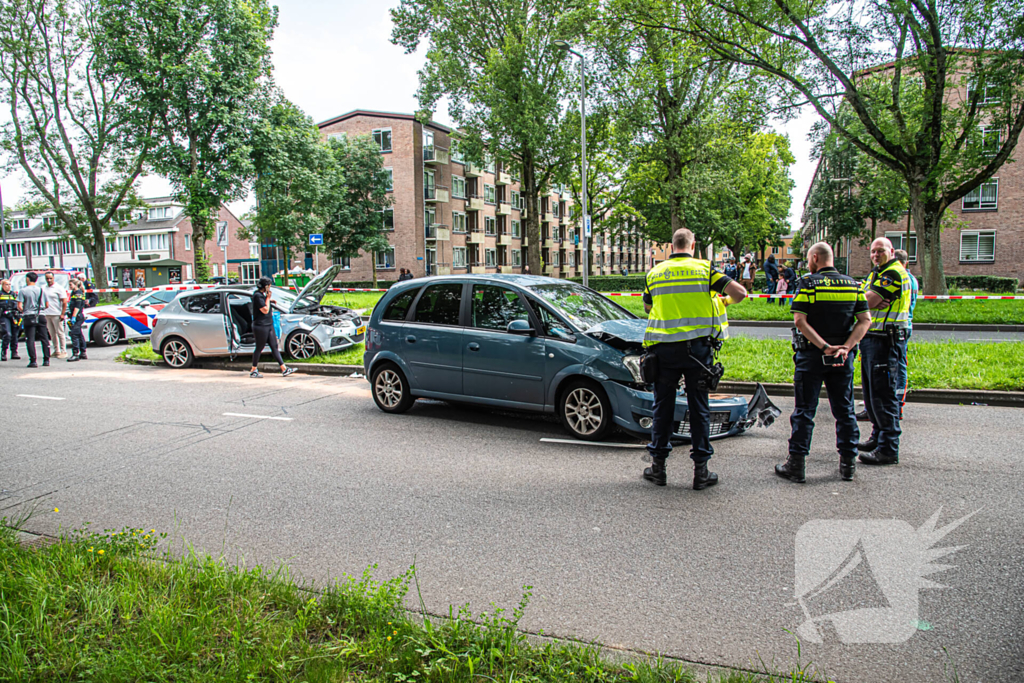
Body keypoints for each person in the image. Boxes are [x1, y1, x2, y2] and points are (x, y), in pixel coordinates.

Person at [642, 228, 747, 489]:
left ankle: (658, 468)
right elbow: (741, 293)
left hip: (663, 350)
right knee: (699, 408)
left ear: (671, 246)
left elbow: (648, 306)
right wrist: (721, 301)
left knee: (662, 408)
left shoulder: (655, 272)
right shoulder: (704, 269)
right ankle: (701, 472)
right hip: (698, 352)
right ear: (693, 244)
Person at [775, 243, 871, 483]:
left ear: (815, 258)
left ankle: (796, 464)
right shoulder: (854, 285)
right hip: (842, 358)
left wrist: (824, 347)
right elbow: (864, 320)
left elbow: (800, 321)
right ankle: (848, 463)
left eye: (809, 259)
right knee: (845, 410)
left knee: (805, 411)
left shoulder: (808, 284)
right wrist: (846, 347)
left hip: (812, 356)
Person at [857, 237, 912, 466]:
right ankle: (877, 438)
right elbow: (865, 297)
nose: (876, 255)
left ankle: (888, 448)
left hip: (885, 340)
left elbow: (869, 299)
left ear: (891, 251)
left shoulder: (893, 273)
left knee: (883, 396)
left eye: (880, 251)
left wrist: (867, 299)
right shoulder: (876, 274)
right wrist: (866, 299)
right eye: (872, 252)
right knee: (871, 395)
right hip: (873, 337)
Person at [249, 276, 296, 379]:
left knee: (274, 346)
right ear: (266, 286)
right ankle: (253, 369)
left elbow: (265, 304)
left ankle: (284, 368)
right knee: (259, 347)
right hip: (261, 326)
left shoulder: (262, 295)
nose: (270, 288)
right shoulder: (257, 295)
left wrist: (269, 301)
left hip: (268, 324)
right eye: (269, 286)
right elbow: (265, 310)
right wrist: (268, 299)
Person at [893, 249, 918, 417]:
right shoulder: (913, 279)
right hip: (905, 324)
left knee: (898, 367)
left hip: (898, 327)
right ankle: (896, 404)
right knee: (899, 365)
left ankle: (897, 405)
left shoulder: (900, 278)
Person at [16, 272, 51, 368]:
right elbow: (47, 305)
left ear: (27, 279)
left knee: (30, 339)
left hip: (29, 316)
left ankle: (33, 360)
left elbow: (19, 306)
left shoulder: (23, 291)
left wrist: (25, 310)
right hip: (41, 315)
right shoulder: (41, 290)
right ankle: (46, 360)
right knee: (44, 338)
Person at [41, 272, 69, 359]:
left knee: (60, 332)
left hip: (56, 313)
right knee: (52, 333)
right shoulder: (43, 288)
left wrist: (62, 313)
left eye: (50, 278)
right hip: (47, 313)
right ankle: (56, 350)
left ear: (53, 278)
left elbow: (64, 301)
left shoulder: (59, 288)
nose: (49, 280)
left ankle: (63, 350)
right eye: (47, 278)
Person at [66, 279, 88, 362]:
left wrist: (74, 317)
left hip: (77, 316)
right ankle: (83, 352)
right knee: (79, 334)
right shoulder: (74, 293)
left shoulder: (78, 293)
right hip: (76, 315)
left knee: (74, 334)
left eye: (70, 284)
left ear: (75, 284)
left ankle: (75, 354)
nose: (69, 286)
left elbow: (77, 306)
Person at [1, 279, 21, 361]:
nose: (8, 286)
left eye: (9, 284)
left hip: (14, 315)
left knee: (15, 334)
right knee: (7, 334)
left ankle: (14, 352)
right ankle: (3, 352)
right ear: (2, 285)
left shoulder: (13, 294)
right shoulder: (0, 294)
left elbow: (18, 304)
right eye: (6, 284)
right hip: (4, 316)